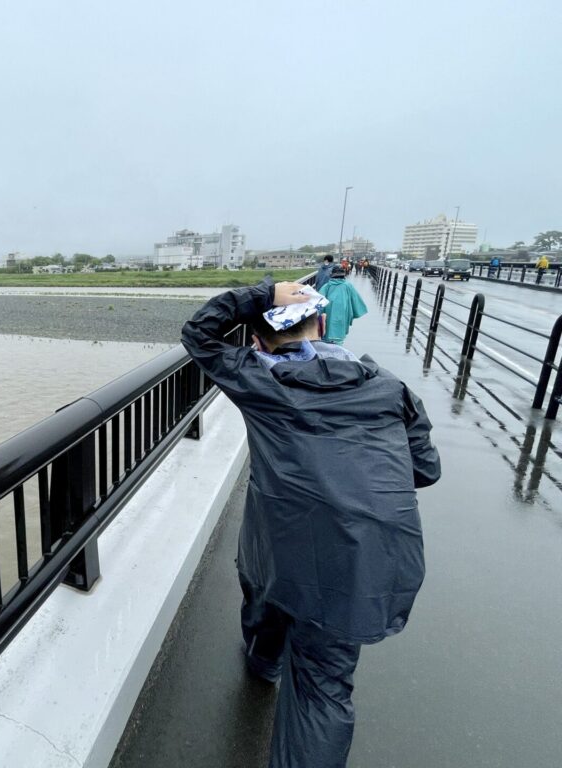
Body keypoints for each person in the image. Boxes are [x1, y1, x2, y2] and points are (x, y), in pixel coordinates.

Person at [181, 279, 440, 768]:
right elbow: (426, 470)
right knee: (324, 688)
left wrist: (261, 295)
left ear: (256, 342)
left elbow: (199, 334)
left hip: (282, 542)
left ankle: (262, 663)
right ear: (322, 325)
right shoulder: (386, 384)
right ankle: (265, 662)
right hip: (369, 560)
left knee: (266, 588)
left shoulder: (259, 381)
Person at [318, 266, 367, 344]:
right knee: (340, 329)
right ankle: (338, 343)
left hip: (328, 312)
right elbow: (355, 299)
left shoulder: (327, 286)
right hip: (343, 311)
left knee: (327, 326)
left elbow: (318, 300)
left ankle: (327, 341)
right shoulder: (348, 286)